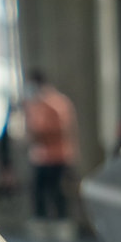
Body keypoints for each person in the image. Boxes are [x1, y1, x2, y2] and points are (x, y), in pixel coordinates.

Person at [21, 69, 77, 221]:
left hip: (56, 157)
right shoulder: (34, 104)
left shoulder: (55, 103)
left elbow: (58, 130)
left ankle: (61, 222)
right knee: (38, 193)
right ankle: (42, 223)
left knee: (57, 192)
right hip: (40, 157)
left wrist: (39, 134)